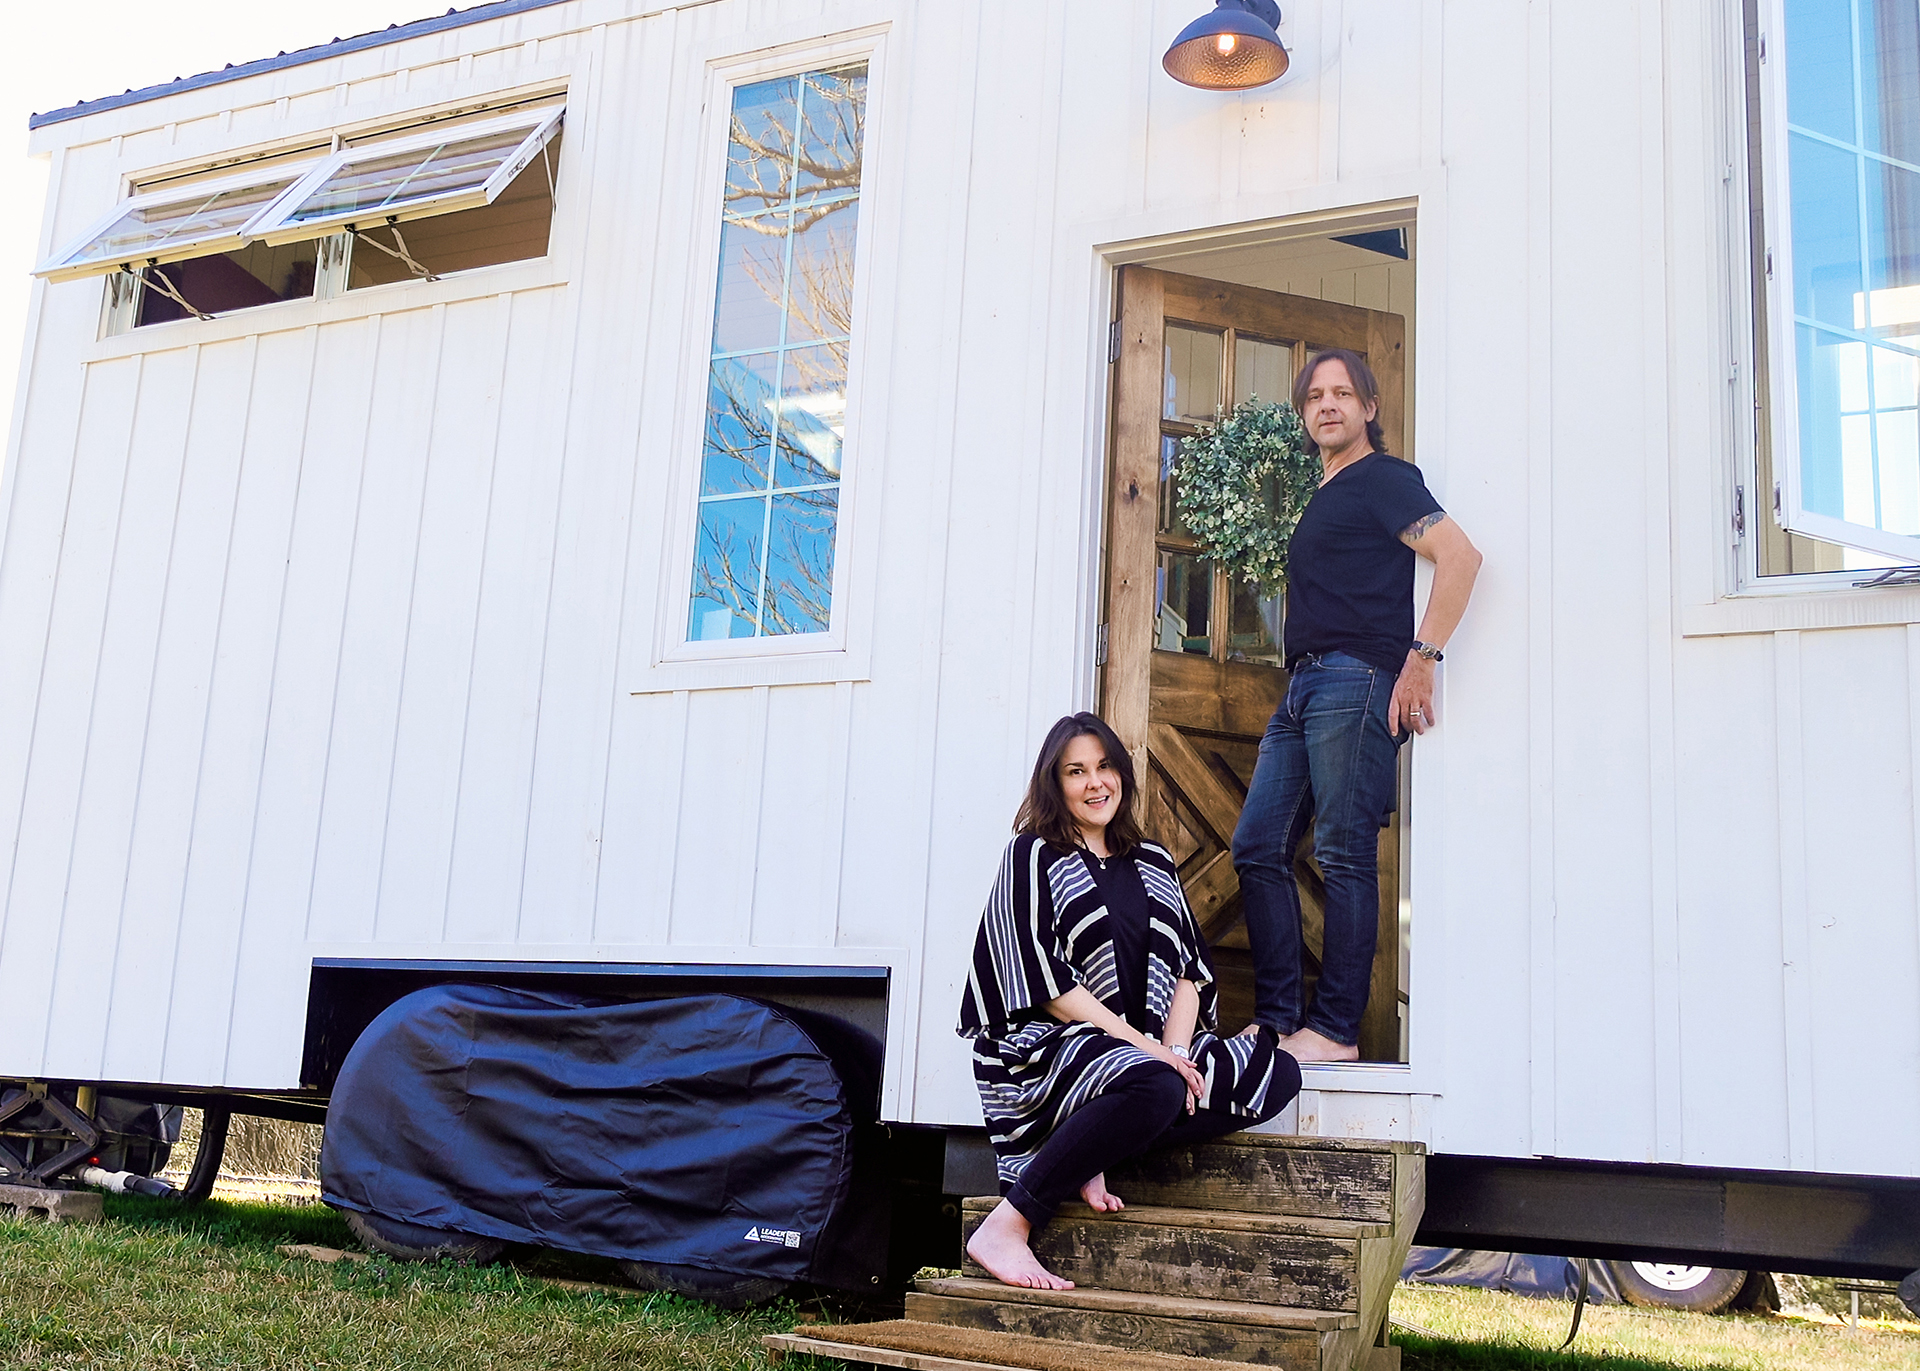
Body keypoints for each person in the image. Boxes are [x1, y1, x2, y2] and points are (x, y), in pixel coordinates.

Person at [958, 712, 1301, 1290]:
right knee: (1156, 1084)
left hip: (1146, 1055)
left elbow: (1188, 973)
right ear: (1055, 783)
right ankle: (1008, 1224)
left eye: (1105, 766)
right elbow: (1050, 988)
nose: (1096, 783)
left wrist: (1176, 1050)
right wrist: (1150, 1053)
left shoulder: (1154, 859)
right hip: (1053, 1045)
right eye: (1076, 771)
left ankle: (1095, 1149)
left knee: (1276, 1072)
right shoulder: (1031, 855)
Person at [1232, 349, 1482, 1064]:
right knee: (1257, 844)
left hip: (1357, 679)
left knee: (1343, 851)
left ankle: (1336, 1029)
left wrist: (1421, 659)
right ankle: (1281, 1022)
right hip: (1305, 683)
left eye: (1343, 393)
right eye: (1315, 395)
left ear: (1369, 408)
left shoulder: (1384, 479)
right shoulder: (1326, 492)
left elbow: (1460, 557)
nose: (1328, 404)